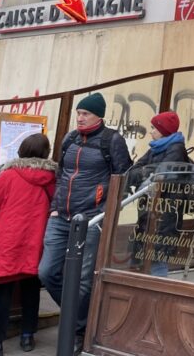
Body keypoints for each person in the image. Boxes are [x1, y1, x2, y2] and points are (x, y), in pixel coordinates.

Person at [38, 92, 131, 355]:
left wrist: (104, 211)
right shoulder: (69, 139)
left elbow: (123, 178)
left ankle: (77, 331)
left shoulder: (112, 141)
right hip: (61, 218)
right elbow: (61, 174)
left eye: (85, 114)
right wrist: (55, 208)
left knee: (83, 280)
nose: (79, 117)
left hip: (91, 220)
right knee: (46, 272)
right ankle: (79, 319)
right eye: (78, 113)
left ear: (98, 116)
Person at [0, 134, 56, 355]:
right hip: (36, 241)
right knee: (31, 289)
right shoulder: (52, 178)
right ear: (45, 154)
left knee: (3, 291)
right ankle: (27, 336)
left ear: (21, 150)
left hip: (8, 241)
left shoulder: (9, 175)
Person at [126, 112, 192, 277]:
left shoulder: (176, 149)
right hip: (149, 210)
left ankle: (156, 294)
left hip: (164, 212)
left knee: (158, 256)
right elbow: (132, 172)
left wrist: (146, 172)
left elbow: (162, 175)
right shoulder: (155, 148)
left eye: (154, 128)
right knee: (147, 256)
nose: (151, 131)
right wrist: (147, 172)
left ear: (164, 130)